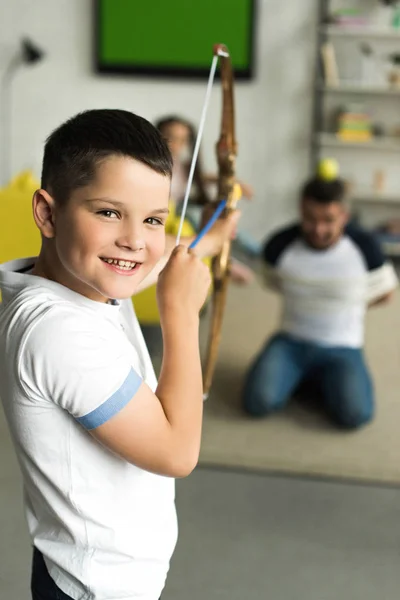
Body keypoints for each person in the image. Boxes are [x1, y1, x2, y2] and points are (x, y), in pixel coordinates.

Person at [0, 109, 239, 600]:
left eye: (153, 218)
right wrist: (179, 312)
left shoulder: (86, 281)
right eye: (109, 212)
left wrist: (212, 237)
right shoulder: (56, 331)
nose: (134, 240)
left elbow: (149, 259)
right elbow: (177, 453)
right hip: (96, 586)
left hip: (93, 568)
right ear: (47, 212)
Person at [242, 173, 398, 429]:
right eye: (310, 219)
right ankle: (309, 378)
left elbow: (386, 294)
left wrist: (351, 306)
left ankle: (313, 380)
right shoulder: (279, 245)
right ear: (300, 212)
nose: (318, 229)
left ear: (345, 217)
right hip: (291, 341)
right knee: (256, 402)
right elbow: (271, 282)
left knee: (356, 415)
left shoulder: (366, 248)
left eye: (328, 220)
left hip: (343, 347)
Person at [155, 115, 255, 284]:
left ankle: (257, 254)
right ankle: (226, 260)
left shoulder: (183, 166)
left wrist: (235, 182)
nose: (175, 144)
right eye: (169, 137)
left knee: (224, 221)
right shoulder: (154, 164)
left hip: (181, 209)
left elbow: (204, 177)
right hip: (170, 211)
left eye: (182, 140)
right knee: (197, 216)